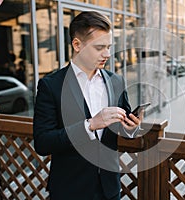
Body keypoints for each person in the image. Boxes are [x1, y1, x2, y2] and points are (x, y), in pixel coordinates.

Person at [33, 11, 143, 200]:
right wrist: (90, 125)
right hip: (69, 190)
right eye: (99, 47)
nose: (108, 54)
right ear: (77, 44)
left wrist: (131, 128)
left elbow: (121, 129)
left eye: (109, 47)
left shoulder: (116, 81)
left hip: (110, 188)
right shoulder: (51, 85)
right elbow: (43, 142)